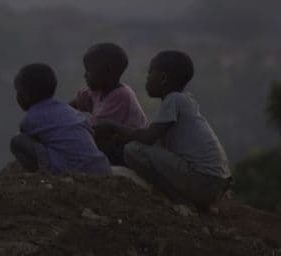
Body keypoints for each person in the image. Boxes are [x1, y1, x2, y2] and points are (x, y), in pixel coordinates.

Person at [94, 50, 232, 211]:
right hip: (215, 186)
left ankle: (178, 199)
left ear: (163, 78)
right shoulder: (185, 101)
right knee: (136, 146)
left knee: (133, 151)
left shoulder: (173, 100)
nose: (147, 78)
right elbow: (156, 141)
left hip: (202, 181)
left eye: (150, 72)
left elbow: (148, 138)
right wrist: (122, 137)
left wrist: (113, 126)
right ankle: (192, 201)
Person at [9, 63, 112, 176]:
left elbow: (27, 142)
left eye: (18, 92)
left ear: (25, 95)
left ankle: (41, 175)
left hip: (72, 170)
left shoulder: (30, 119)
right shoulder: (69, 110)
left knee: (17, 141)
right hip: (101, 167)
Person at [68, 42, 149, 165]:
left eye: (89, 71)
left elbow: (96, 130)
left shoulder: (120, 95)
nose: (85, 75)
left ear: (107, 71)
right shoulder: (96, 90)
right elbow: (74, 104)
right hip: (110, 142)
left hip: (127, 148)